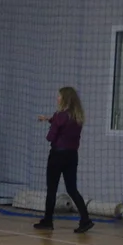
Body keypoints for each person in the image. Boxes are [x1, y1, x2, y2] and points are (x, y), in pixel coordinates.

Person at [35, 87, 93, 233]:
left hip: (57, 155)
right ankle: (85, 219)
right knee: (72, 188)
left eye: (59, 96)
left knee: (52, 188)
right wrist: (48, 118)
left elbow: (51, 136)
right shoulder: (77, 116)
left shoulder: (60, 115)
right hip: (72, 156)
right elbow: (59, 121)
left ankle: (48, 221)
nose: (57, 98)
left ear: (65, 99)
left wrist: (52, 125)